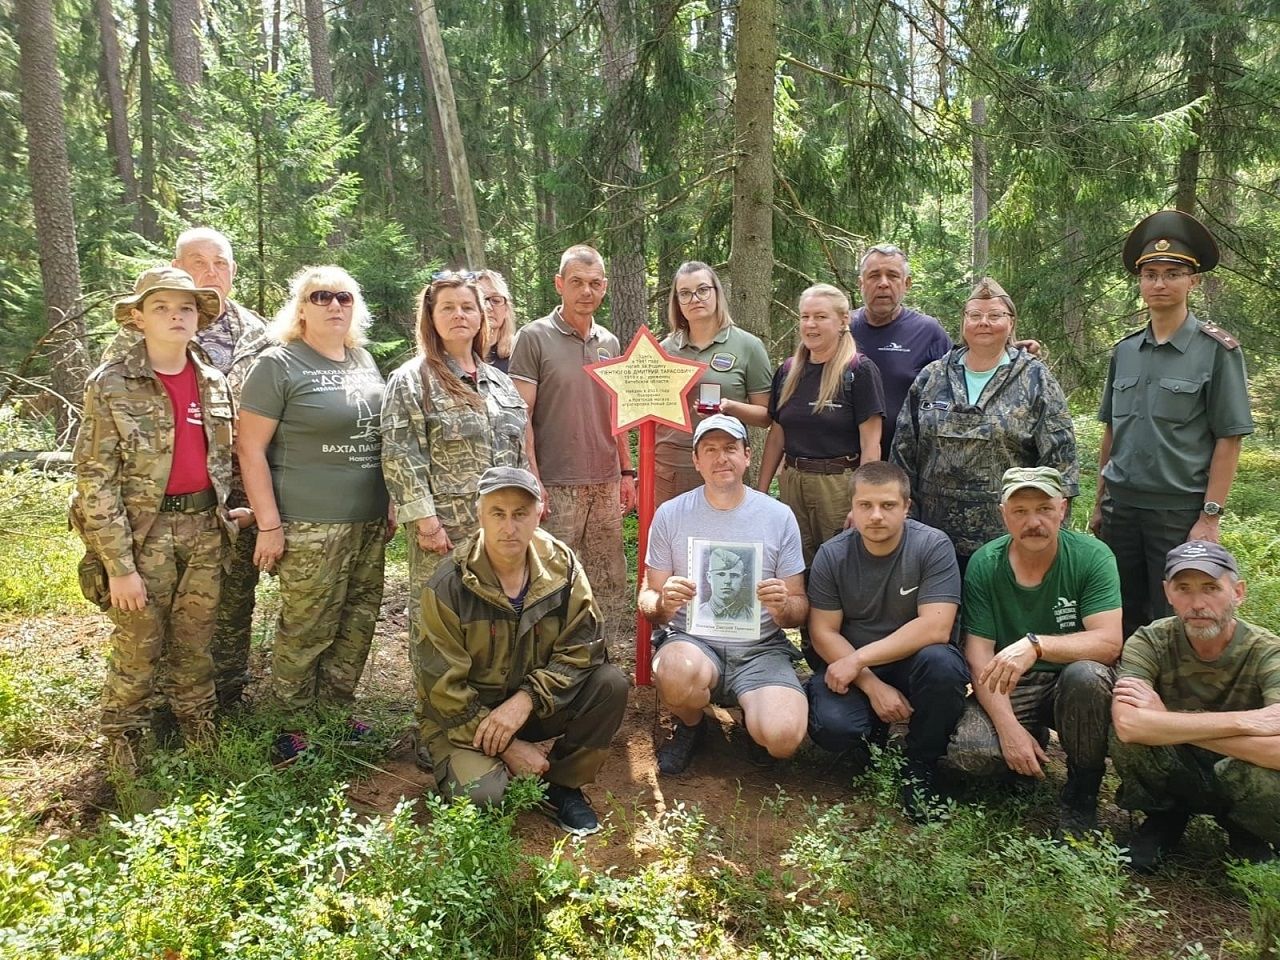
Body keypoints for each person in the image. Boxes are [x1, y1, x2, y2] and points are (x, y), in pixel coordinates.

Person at [71, 266, 252, 776]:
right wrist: (118, 564)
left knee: (196, 640)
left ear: (199, 318)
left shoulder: (213, 380)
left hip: (203, 532)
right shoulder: (111, 383)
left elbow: (221, 457)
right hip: (141, 535)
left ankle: (198, 725)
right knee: (139, 641)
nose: (176, 316)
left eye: (186, 308)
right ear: (138, 318)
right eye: (162, 308)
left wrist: (230, 510)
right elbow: (95, 478)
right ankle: (125, 737)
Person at [100, 227, 271, 711]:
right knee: (152, 616)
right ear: (178, 268)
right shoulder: (136, 343)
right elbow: (108, 441)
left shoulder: (261, 334)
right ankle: (152, 710)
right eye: (198, 262)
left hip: (237, 500)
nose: (211, 272)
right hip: (155, 507)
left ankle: (224, 697)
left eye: (221, 263)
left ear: (234, 273)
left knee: (230, 603)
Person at [415, 466, 628, 837]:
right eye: (497, 513)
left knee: (610, 684)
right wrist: (510, 748)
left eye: (520, 514)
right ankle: (489, 766)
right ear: (478, 515)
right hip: (466, 719)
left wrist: (527, 700)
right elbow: (442, 691)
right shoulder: (448, 584)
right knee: (483, 800)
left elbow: (584, 647)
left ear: (539, 513)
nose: (509, 527)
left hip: (533, 707)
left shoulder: (562, 566)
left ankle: (561, 784)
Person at [237, 266, 393, 761]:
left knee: (357, 621)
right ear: (300, 308)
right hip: (309, 523)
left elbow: (380, 438)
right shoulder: (279, 365)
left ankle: (336, 714)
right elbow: (250, 450)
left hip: (368, 521)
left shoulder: (363, 359)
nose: (333, 306)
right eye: (320, 296)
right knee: (307, 627)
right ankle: (291, 726)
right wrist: (269, 524)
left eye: (343, 297)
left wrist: (389, 500)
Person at [381, 272, 528, 768]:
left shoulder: (499, 382)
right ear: (432, 317)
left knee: (490, 627)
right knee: (437, 630)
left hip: (499, 533)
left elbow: (516, 455)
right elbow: (400, 454)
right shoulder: (413, 379)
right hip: (443, 532)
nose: (460, 316)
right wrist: (424, 522)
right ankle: (433, 726)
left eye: (469, 307)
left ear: (483, 316)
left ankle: (483, 718)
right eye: (448, 308)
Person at [1091, 211, 1253, 639]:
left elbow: (1229, 437)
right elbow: (1111, 430)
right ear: (1140, 283)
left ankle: (1170, 703)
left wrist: (1210, 516)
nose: (1160, 284)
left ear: (1192, 282)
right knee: (1117, 611)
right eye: (1150, 274)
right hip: (1120, 509)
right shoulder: (1125, 350)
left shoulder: (1217, 351)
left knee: (1174, 616)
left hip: (1178, 512)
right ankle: (1118, 697)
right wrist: (1098, 501)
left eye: (1172, 273)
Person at [944, 467, 1122, 836]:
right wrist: (1009, 730)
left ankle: (1082, 792)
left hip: (1071, 683)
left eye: (1043, 508)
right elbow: (978, 654)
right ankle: (1026, 741)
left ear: (1063, 509)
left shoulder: (1092, 557)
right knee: (971, 753)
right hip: (1010, 681)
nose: (1033, 522)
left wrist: (1036, 645)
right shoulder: (985, 563)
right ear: (1003, 514)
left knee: (1087, 676)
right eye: (1020, 511)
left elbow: (1108, 642)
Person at [640, 414, 809, 774]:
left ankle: (754, 721)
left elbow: (799, 607)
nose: (721, 458)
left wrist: (783, 607)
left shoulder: (778, 516)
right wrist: (663, 602)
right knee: (674, 671)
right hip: (693, 642)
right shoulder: (671, 515)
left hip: (760, 648)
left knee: (783, 738)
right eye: (710, 449)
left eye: (731, 448)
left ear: (748, 455)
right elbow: (648, 599)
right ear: (696, 460)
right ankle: (690, 725)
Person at [805, 461, 968, 819]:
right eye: (865, 505)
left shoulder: (932, 546)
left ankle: (921, 765)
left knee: (944, 665)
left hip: (913, 665)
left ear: (907, 507)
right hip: (853, 669)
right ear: (852, 507)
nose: (876, 516)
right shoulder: (833, 555)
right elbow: (823, 632)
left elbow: (936, 628)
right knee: (833, 728)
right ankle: (870, 737)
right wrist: (870, 683)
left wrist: (857, 661)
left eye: (888, 505)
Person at [1112, 540, 1280, 870]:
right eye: (1184, 589)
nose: (1197, 603)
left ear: (1238, 592)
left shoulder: (1267, 652)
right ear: (1167, 592)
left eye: (1211, 588)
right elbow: (1129, 725)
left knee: (1262, 773)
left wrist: (1165, 720)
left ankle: (1248, 831)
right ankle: (1165, 818)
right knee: (1127, 740)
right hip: (1181, 764)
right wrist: (1247, 722)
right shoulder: (1150, 640)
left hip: (1239, 767)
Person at [892, 277, 1076, 572]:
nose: (984, 323)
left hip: (1009, 539)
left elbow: (1061, 459)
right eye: (974, 315)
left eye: (995, 316)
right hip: (931, 537)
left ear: (1011, 322)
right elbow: (903, 451)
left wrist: (1052, 529)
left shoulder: (1035, 379)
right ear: (963, 322)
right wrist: (903, 517)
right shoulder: (933, 377)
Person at [507, 245, 634, 623]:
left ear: (605, 287)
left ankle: (602, 658)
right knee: (552, 579)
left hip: (606, 484)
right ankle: (553, 664)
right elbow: (521, 415)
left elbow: (619, 411)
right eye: (576, 282)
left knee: (608, 580)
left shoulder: (609, 343)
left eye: (595, 283)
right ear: (559, 284)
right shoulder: (533, 338)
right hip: (557, 485)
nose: (586, 292)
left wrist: (627, 473)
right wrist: (534, 479)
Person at [758, 283, 886, 566]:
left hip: (838, 486)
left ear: (843, 321)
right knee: (794, 565)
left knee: (839, 565)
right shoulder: (789, 371)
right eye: (805, 317)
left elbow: (871, 444)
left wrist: (862, 501)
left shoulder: (859, 371)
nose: (810, 324)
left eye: (820, 316)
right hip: (792, 481)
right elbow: (777, 435)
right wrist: (762, 492)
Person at [655, 261, 773, 505]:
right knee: (673, 541)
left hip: (724, 465)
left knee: (724, 542)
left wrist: (728, 406)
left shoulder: (748, 346)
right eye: (685, 294)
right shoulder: (663, 350)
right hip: (672, 467)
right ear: (677, 302)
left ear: (717, 293)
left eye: (703, 290)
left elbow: (765, 416)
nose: (695, 299)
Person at [849, 244, 951, 453]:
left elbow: (964, 374)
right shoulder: (843, 329)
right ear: (861, 283)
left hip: (907, 458)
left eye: (893, 276)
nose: (883, 284)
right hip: (843, 462)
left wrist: (1008, 351)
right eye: (874, 276)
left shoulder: (927, 331)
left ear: (907, 283)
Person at [694, 547, 755, 624]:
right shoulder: (696, 614)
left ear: (743, 579)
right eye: (721, 574)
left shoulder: (753, 616)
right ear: (709, 577)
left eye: (734, 575)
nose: (727, 581)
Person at [476, 269, 517, 373]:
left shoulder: (519, 352)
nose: (488, 307)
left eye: (496, 300)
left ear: (506, 309)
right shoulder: (459, 356)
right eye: (481, 300)